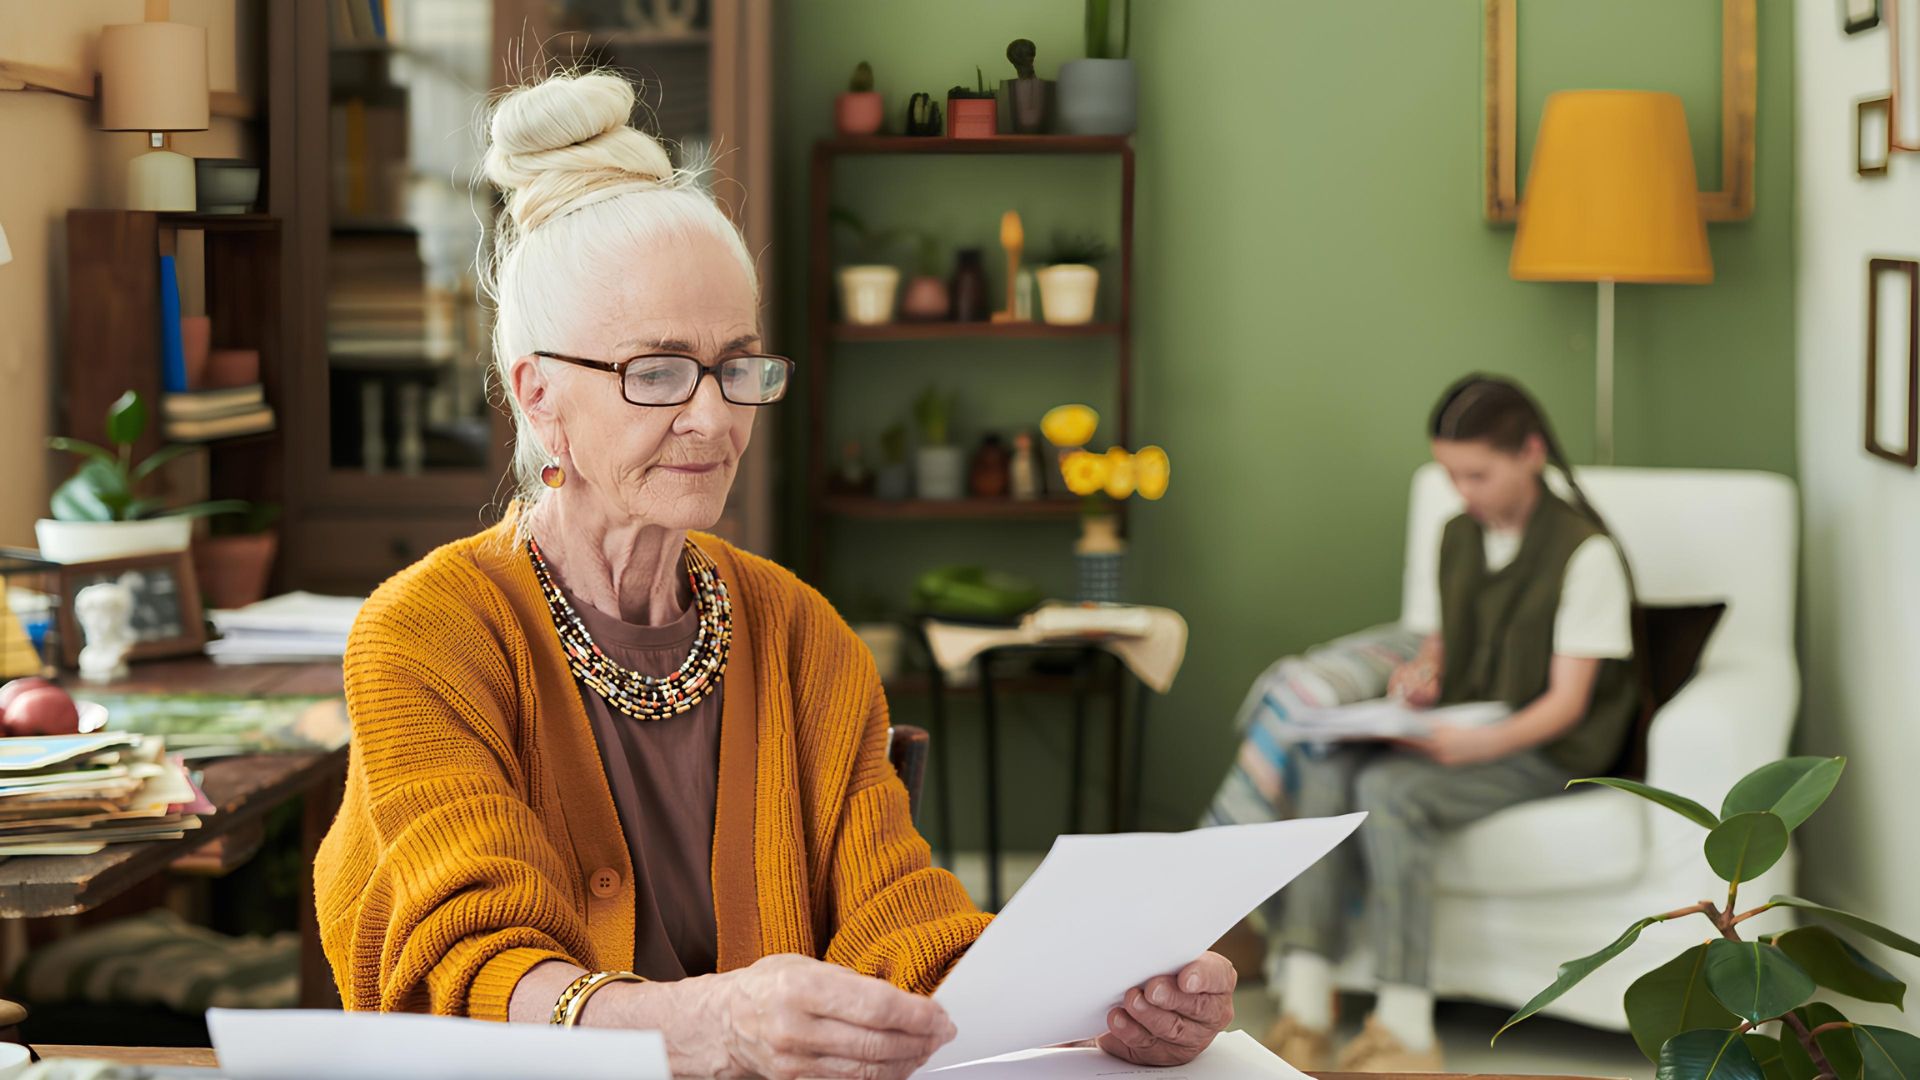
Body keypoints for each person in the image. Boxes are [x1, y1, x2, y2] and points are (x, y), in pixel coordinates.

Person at [313, 71, 1235, 1079]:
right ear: (539, 395)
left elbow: (899, 921)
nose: (714, 417)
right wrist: (701, 1026)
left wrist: (1098, 1003)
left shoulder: (801, 631)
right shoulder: (427, 633)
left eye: (738, 365)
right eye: (657, 372)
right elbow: (468, 968)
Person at [1221, 374, 1639, 1071]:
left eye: (1478, 475)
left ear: (1531, 453)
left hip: (1551, 749)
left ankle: (1407, 1029)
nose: (1463, 492)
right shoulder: (1456, 535)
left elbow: (1568, 705)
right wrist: (1423, 678)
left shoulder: (1585, 553)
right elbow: (1446, 643)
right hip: (1466, 726)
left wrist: (1477, 743)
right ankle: (1306, 1005)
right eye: (1450, 475)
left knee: (1390, 790)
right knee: (1326, 763)